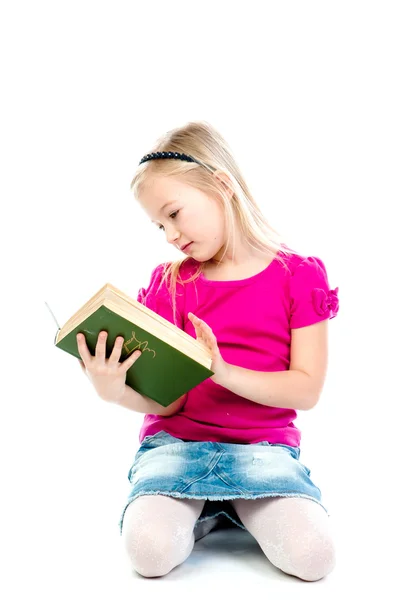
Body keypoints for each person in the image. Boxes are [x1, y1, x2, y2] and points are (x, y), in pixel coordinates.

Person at [77, 121, 339, 581]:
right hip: (177, 445)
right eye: (158, 224)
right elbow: (170, 402)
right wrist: (112, 389)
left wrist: (221, 371)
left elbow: (306, 390)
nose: (169, 235)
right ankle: (209, 510)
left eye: (174, 213)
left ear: (221, 185)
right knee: (149, 554)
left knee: (314, 558)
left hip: (264, 449)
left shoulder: (298, 275)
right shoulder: (169, 284)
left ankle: (227, 507)